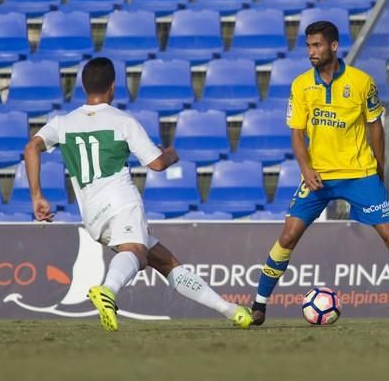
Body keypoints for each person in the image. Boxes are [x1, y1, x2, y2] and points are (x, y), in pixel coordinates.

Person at [24, 57, 253, 332]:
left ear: (83, 88)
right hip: (120, 198)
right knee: (137, 253)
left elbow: (31, 149)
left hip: (91, 213)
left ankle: (232, 311)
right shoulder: (122, 121)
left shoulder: (62, 123)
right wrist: (170, 153)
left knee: (165, 260)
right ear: (112, 87)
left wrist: (37, 196)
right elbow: (156, 163)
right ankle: (107, 290)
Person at [249, 21, 389, 325]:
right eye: (309, 46)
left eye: (317, 45)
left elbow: (375, 126)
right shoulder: (301, 85)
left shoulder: (362, 82)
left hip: (359, 173)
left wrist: (379, 170)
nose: (312, 52)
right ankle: (259, 305)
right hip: (319, 177)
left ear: (334, 46)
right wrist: (306, 168)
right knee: (287, 236)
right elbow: (297, 133)